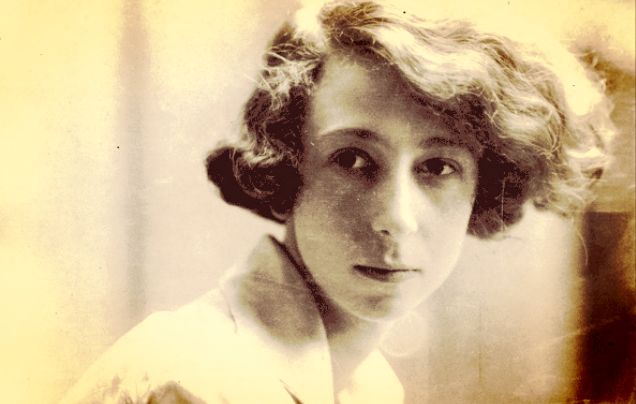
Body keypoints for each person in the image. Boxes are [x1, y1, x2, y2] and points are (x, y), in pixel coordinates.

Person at [61, 1, 614, 403]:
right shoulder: (199, 380)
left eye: (438, 167)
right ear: (286, 169)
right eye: (352, 159)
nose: (396, 218)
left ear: (483, 188)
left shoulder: (365, 383)